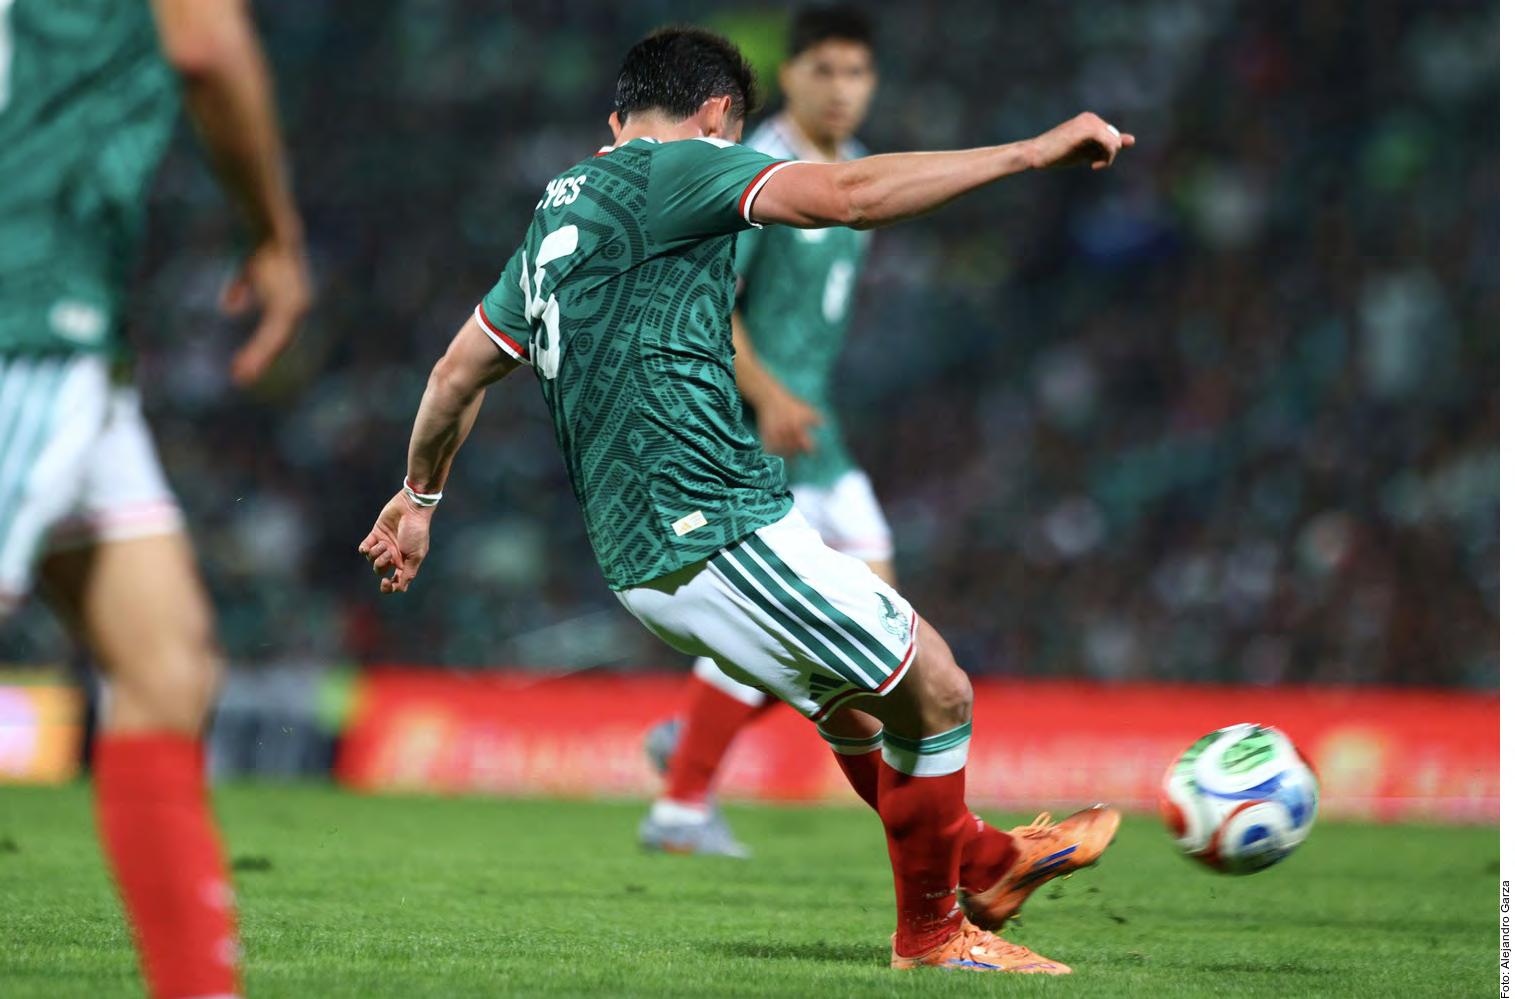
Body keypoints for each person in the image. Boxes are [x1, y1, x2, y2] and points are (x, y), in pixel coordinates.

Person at [361, 25, 1128, 975]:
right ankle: (933, 934)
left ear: (616, 114)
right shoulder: (680, 165)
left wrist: (418, 497)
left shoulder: (559, 212)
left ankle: (984, 862)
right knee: (938, 690)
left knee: (858, 714)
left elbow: (454, 372)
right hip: (708, 527)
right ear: (719, 116)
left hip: (658, 545)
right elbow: (848, 197)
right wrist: (1032, 151)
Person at [0, 1, 311, 995]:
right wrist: (274, 237)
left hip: (71, 330)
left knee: (167, 665)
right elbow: (206, 43)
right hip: (24, 308)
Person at [638, 5, 902, 859]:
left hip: (817, 434)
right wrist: (770, 396)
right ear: (788, 76)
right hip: (757, 434)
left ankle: (691, 742)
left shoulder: (857, 169)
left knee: (875, 626)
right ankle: (681, 802)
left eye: (855, 72)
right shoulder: (760, 174)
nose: (840, 88)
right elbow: (711, 303)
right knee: (794, 623)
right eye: (822, 69)